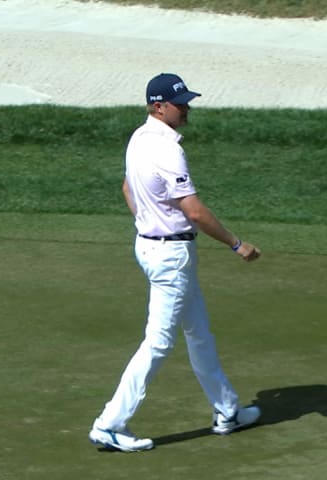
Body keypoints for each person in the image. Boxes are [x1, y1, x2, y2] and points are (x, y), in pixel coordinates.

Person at [88, 73, 263, 452]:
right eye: (179, 102)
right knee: (159, 342)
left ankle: (227, 410)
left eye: (185, 101)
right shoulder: (168, 150)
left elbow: (126, 188)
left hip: (152, 247)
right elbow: (195, 212)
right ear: (158, 106)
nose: (186, 108)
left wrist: (146, 223)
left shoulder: (138, 138)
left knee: (198, 331)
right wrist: (237, 245)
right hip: (171, 255)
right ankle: (110, 423)